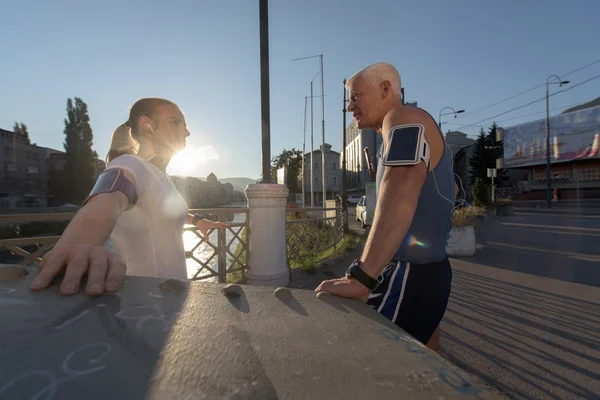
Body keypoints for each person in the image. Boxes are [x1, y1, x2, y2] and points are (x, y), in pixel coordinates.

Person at [316, 63, 458, 352]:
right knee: (421, 360)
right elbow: (451, 191)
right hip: (429, 272)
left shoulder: (403, 116)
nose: (350, 107)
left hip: (409, 273)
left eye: (356, 96)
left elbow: (402, 185)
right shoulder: (395, 138)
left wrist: (362, 277)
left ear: (385, 89)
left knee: (365, 360)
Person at [29, 97, 226, 296]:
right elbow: (105, 202)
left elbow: (158, 211)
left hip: (172, 296)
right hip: (144, 300)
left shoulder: (161, 176)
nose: (186, 132)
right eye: (176, 122)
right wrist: (73, 248)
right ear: (147, 125)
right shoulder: (128, 165)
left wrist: (197, 220)